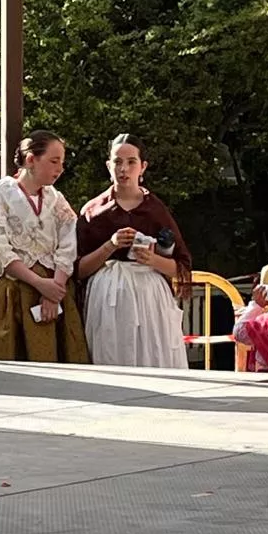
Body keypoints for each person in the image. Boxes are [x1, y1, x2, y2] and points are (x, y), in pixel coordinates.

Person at [0, 131, 89, 362]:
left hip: (53, 287)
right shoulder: (1, 192)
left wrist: (54, 291)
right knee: (6, 352)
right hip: (10, 288)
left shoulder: (55, 199)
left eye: (62, 162)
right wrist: (39, 283)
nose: (60, 169)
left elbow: (68, 243)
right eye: (54, 161)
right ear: (31, 159)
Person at [75, 134, 191, 369]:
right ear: (108, 166)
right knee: (111, 357)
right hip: (107, 301)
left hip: (150, 300)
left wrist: (152, 259)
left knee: (153, 357)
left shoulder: (156, 210)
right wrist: (110, 246)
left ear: (142, 167)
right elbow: (78, 270)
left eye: (131, 162)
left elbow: (181, 267)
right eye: (117, 162)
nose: (124, 169)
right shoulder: (93, 212)